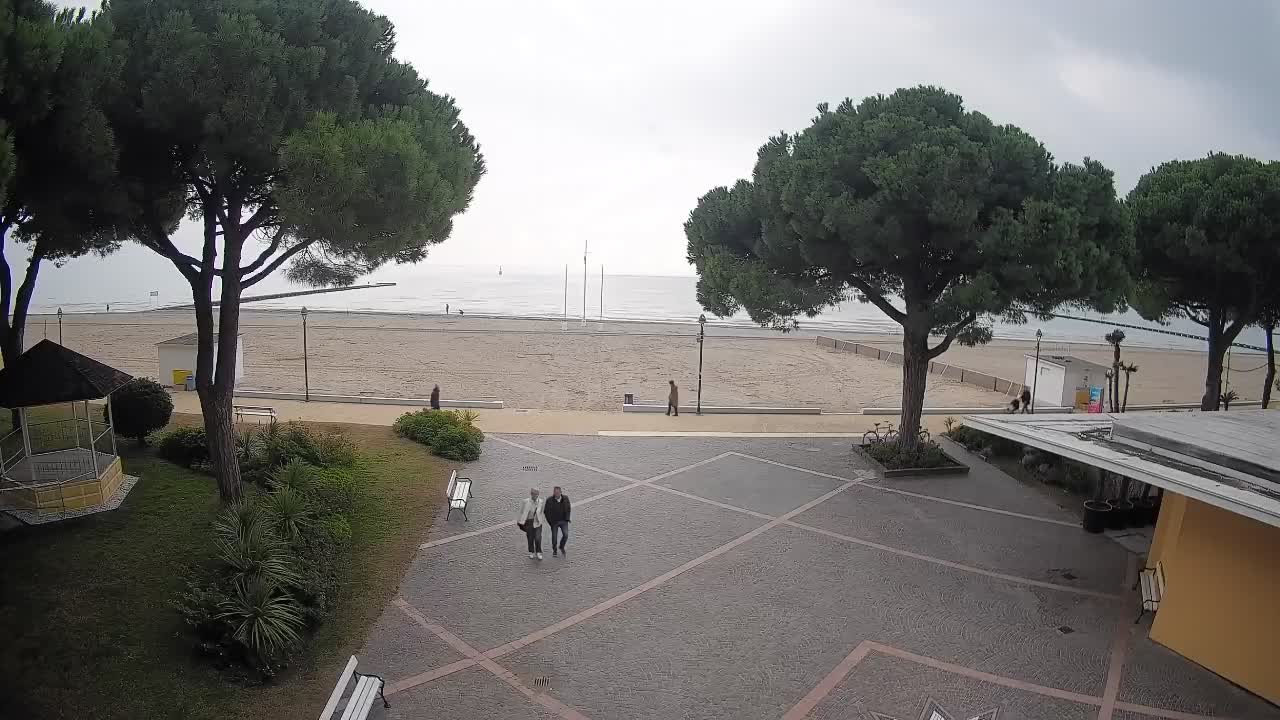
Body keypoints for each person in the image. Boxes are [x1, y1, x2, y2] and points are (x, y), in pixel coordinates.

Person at [516, 488, 546, 560]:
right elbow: (521, 512)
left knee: (538, 538)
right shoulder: (525, 502)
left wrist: (541, 519)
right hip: (529, 522)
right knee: (530, 538)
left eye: (537, 494)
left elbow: (542, 511)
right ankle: (531, 551)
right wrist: (520, 521)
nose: (536, 496)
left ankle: (538, 552)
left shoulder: (541, 502)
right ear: (531, 494)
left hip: (538, 521)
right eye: (534, 494)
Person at [544, 485, 571, 557]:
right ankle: (554, 550)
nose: (556, 494)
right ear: (553, 493)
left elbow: (568, 508)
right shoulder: (549, 500)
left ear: (560, 492)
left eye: (558, 493)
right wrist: (550, 522)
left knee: (566, 535)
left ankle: (561, 546)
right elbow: (546, 512)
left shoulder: (565, 498)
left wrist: (567, 518)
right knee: (554, 537)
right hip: (554, 522)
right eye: (555, 493)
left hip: (563, 521)